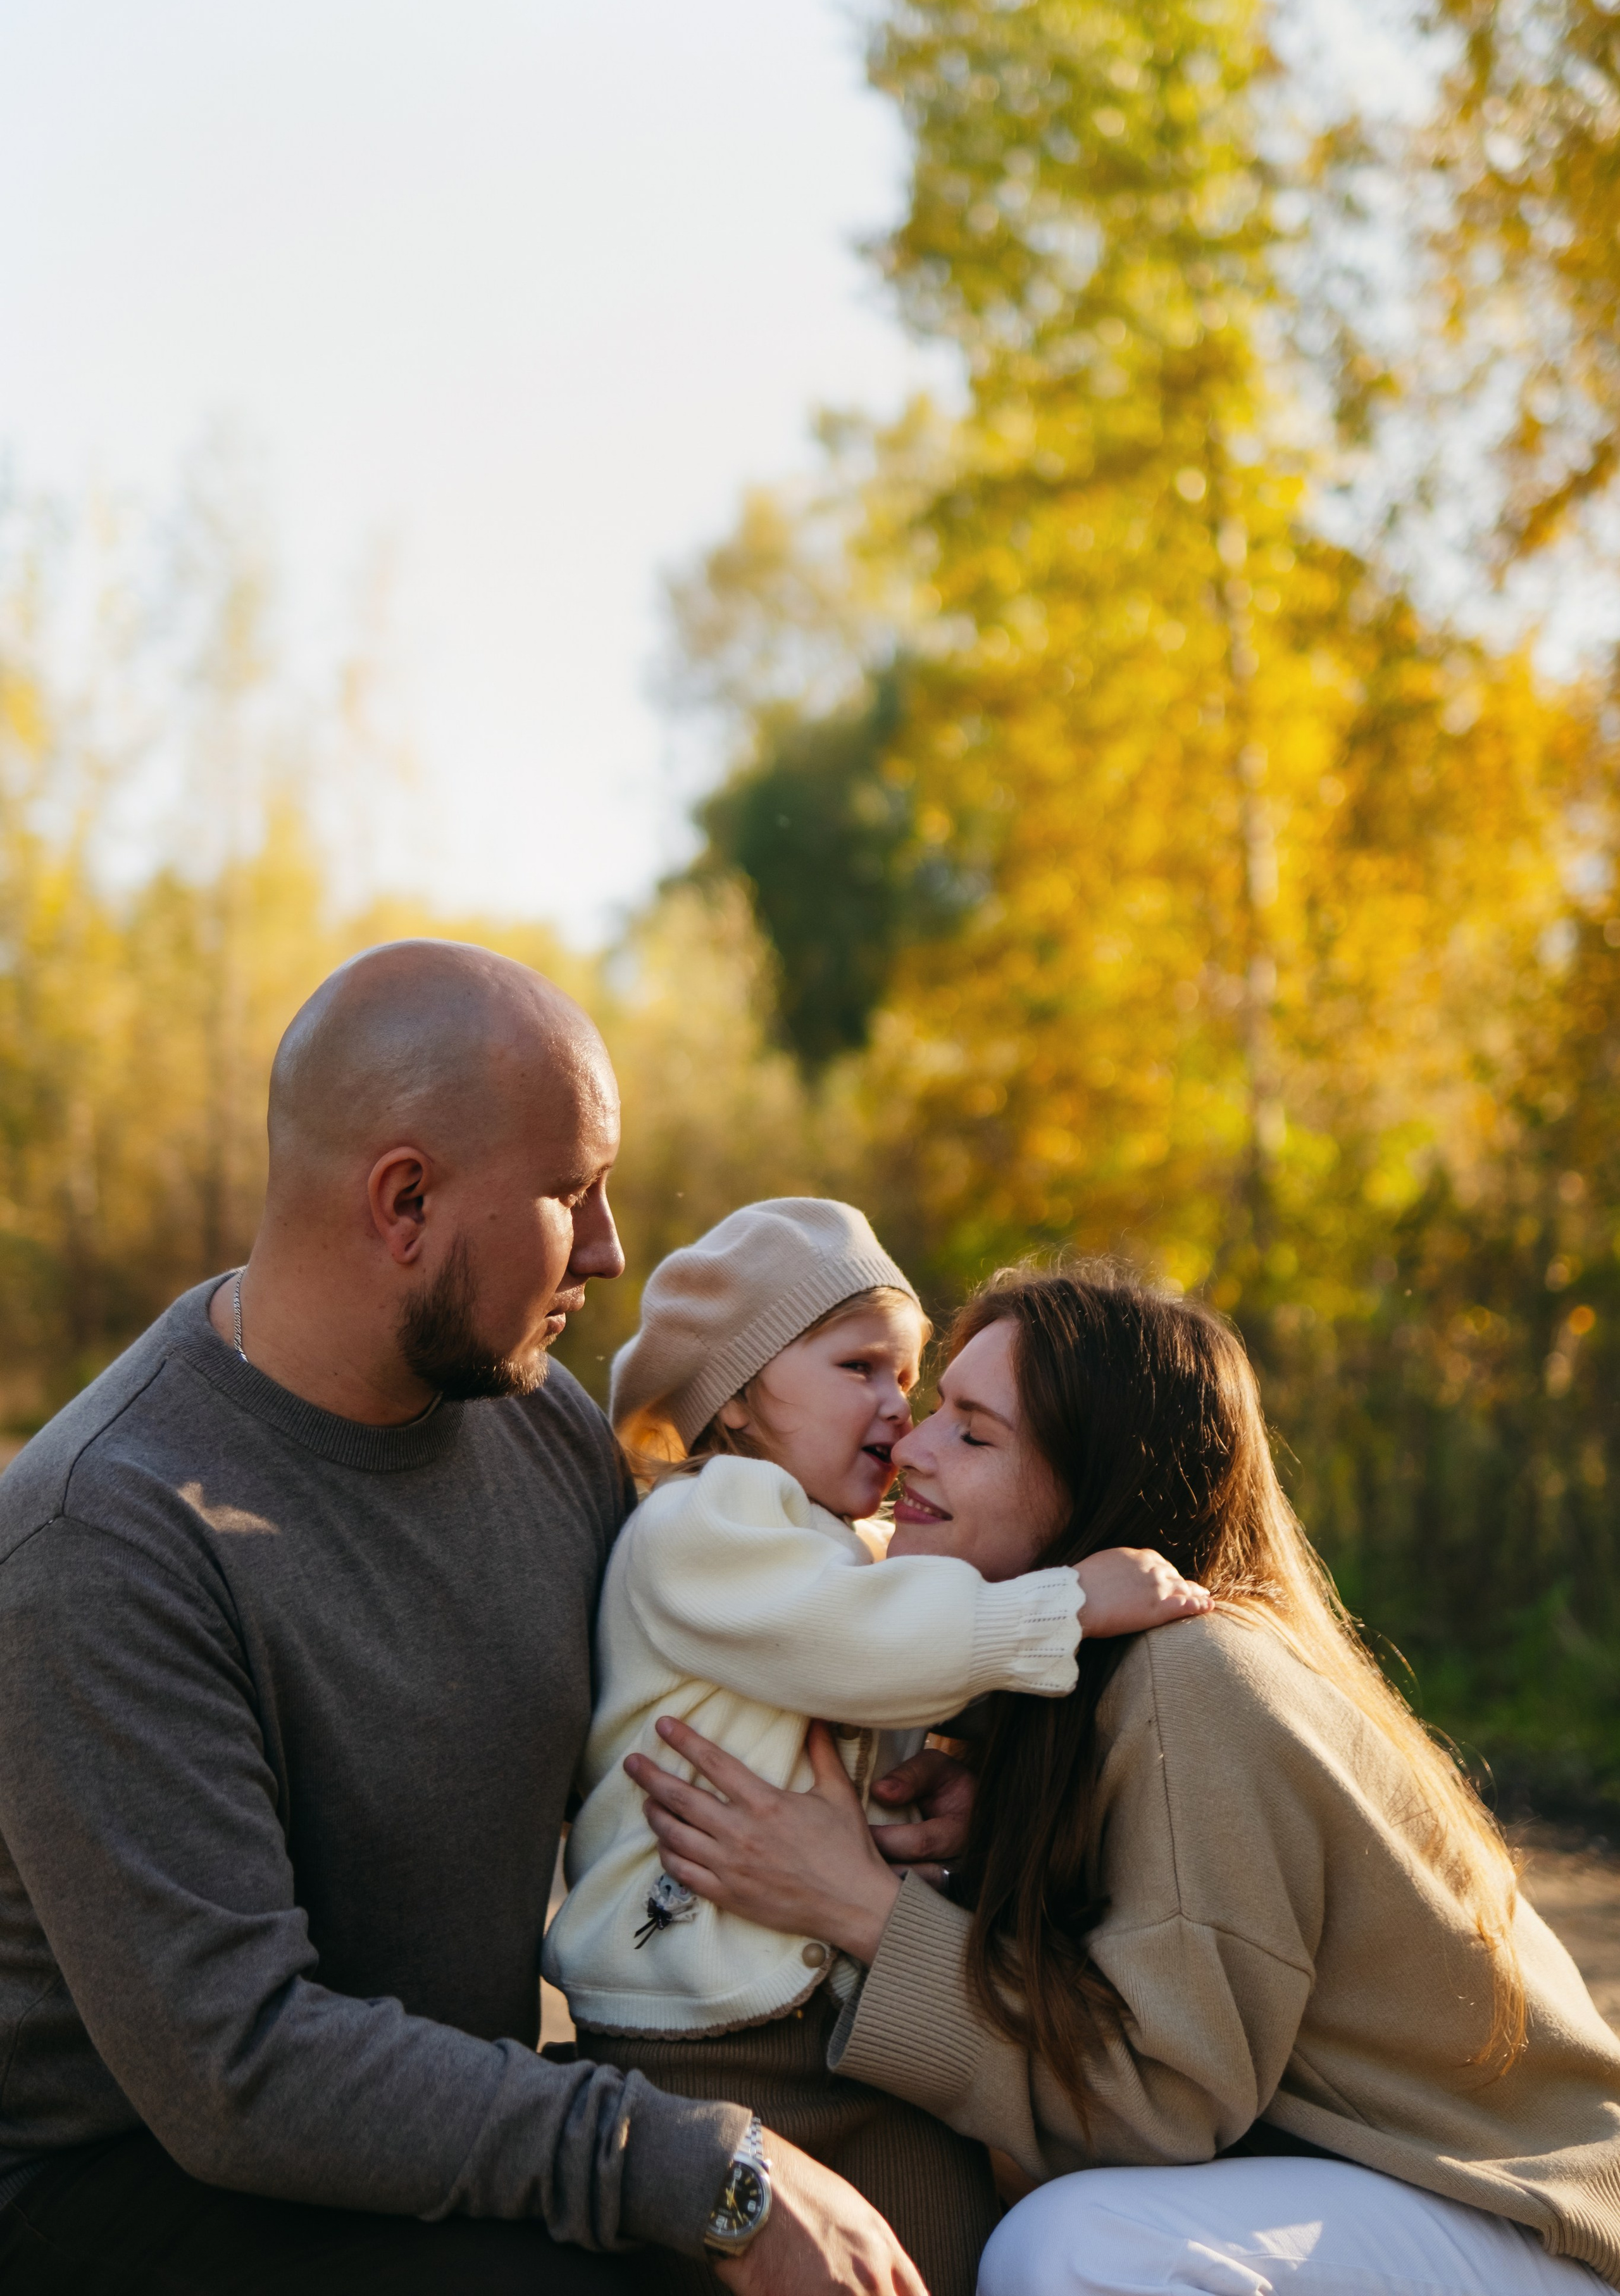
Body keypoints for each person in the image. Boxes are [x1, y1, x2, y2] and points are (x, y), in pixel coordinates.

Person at [0, 940, 928, 2296]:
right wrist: (695, 2167)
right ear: (405, 1201)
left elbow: (724, 1664)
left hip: (445, 2122)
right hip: (138, 2189)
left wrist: (913, 1788)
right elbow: (240, 2071)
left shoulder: (534, 1420)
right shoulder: (105, 1539)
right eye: (573, 1193)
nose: (612, 1250)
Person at [630, 1266, 1620, 2295]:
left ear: (1099, 1490)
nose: (908, 1448)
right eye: (934, 1411)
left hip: (1513, 2217)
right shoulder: (1057, 1683)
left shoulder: (1192, 1674)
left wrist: (859, 1906)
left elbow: (1161, 2110)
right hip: (1360, 2189)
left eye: (973, 1435)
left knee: (1076, 2249)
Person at [544, 1201, 1209, 2296]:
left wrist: (951, 1781)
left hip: (848, 2025)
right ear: (742, 1398)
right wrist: (1063, 1607)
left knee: (938, 2251)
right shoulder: (704, 1526)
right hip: (694, 2037)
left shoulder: (841, 1545)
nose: (898, 1412)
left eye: (908, 1379)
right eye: (861, 1367)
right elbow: (855, 1645)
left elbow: (882, 1703)